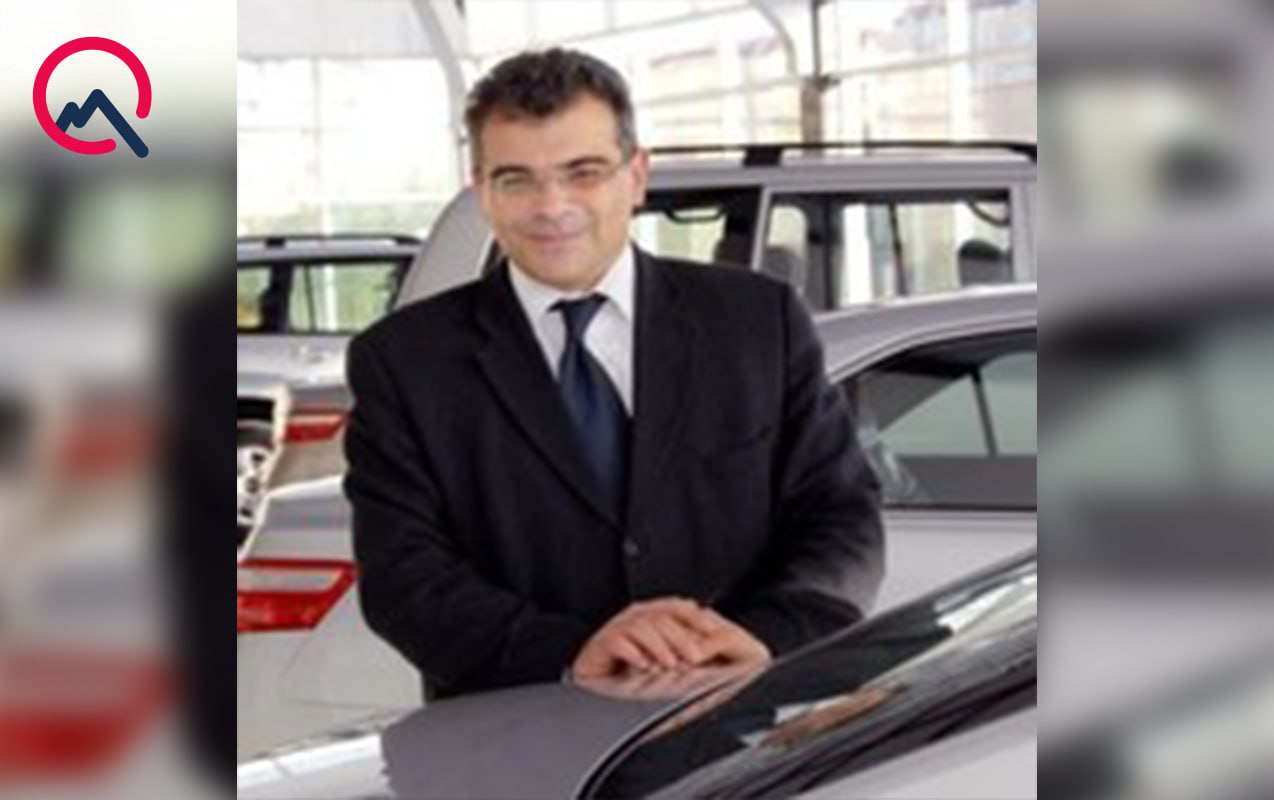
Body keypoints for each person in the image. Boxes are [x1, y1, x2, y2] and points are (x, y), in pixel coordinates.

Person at [344, 48, 883, 699]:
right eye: (517, 179)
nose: (552, 206)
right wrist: (572, 652)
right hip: (518, 723)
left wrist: (764, 634)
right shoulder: (405, 360)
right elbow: (403, 577)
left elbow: (841, 515)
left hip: (740, 718)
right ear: (482, 191)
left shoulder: (756, 321)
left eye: (584, 172)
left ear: (637, 175)